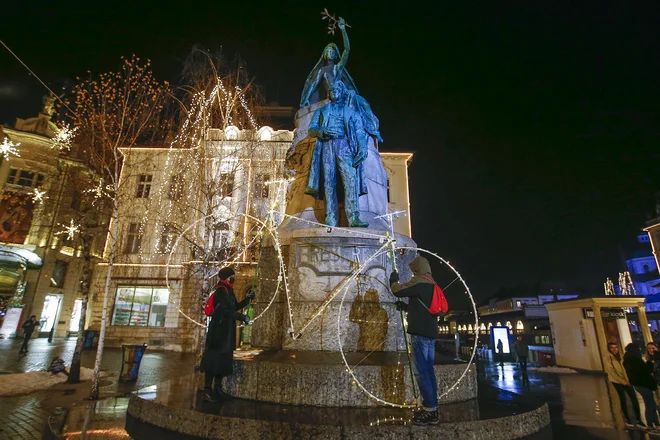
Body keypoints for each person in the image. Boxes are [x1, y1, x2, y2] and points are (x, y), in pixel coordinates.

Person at [306, 79, 369, 227]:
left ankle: (353, 217)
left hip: (345, 146)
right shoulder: (322, 111)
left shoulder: (351, 112)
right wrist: (322, 131)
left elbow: (360, 132)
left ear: (342, 92)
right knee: (329, 183)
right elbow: (311, 129)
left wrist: (363, 148)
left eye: (337, 90)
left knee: (351, 181)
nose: (335, 92)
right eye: (332, 90)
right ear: (329, 93)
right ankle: (331, 219)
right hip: (327, 146)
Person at [389, 256, 440, 426]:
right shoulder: (432, 283)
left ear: (417, 269)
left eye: (413, 269)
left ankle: (430, 410)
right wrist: (406, 307)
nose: (412, 272)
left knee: (421, 371)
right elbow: (423, 306)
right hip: (431, 333)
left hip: (420, 334)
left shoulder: (418, 282)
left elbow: (397, 291)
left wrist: (393, 278)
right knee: (429, 371)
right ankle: (433, 407)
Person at [200, 267, 255, 402]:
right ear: (227, 277)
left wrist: (248, 300)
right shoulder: (221, 290)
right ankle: (208, 389)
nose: (234, 278)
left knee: (223, 360)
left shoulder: (229, 290)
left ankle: (218, 388)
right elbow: (225, 310)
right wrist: (243, 318)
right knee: (214, 359)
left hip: (227, 330)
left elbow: (234, 307)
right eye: (232, 276)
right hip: (219, 331)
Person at [603, 343, 642, 428]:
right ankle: (627, 419)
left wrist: (627, 379)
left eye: (616, 347)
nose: (614, 349)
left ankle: (639, 419)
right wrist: (623, 382)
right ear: (609, 349)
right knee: (622, 398)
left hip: (625, 380)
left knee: (634, 398)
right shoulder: (608, 358)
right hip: (616, 381)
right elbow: (612, 372)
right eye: (612, 348)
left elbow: (624, 369)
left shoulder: (619, 356)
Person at [623, 343, 659, 430]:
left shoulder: (627, 359)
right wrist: (650, 363)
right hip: (644, 384)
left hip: (638, 384)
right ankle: (650, 424)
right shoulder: (635, 360)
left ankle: (656, 423)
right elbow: (645, 370)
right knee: (650, 404)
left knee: (651, 403)